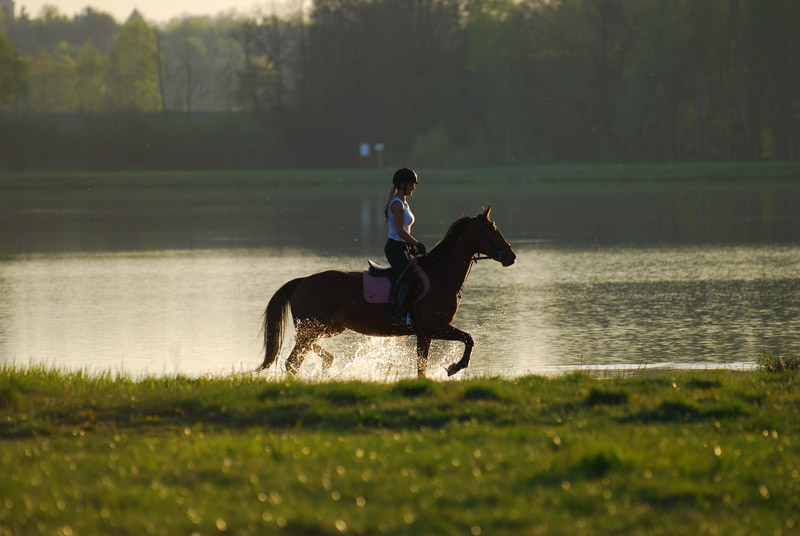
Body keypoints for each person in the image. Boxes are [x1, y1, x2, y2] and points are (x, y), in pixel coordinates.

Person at [384, 167, 425, 327]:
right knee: (408, 278)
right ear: (402, 184)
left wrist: (411, 246)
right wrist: (417, 243)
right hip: (395, 248)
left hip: (403, 247)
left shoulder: (403, 203)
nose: (413, 188)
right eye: (411, 184)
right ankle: (399, 316)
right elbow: (400, 231)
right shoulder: (397, 205)